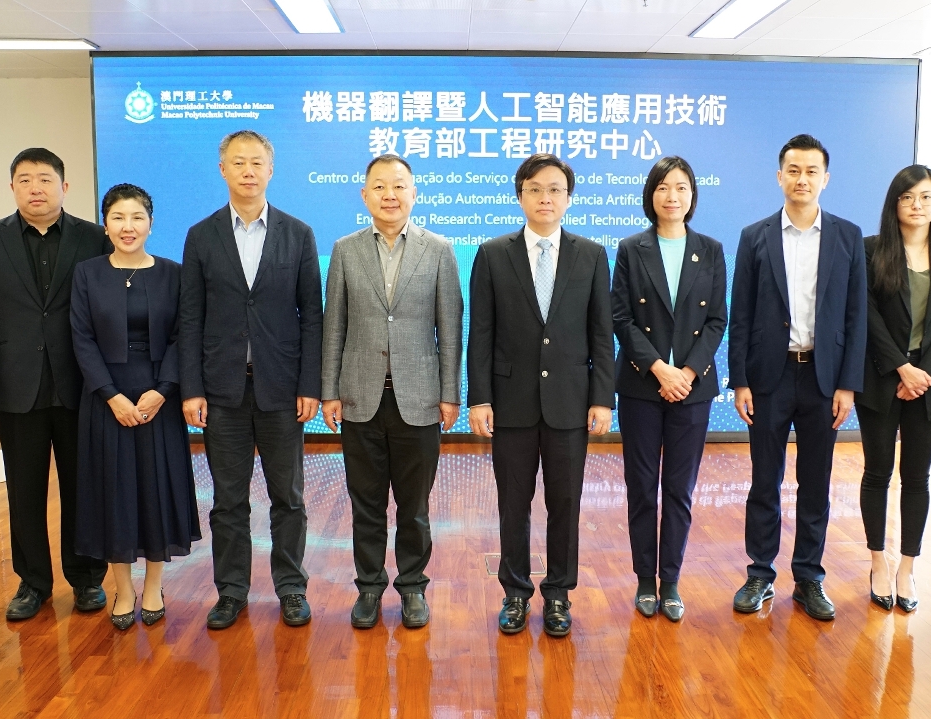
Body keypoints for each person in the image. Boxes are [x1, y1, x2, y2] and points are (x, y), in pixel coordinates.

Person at [179, 130, 323, 629]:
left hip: (281, 389)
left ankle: (291, 588)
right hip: (222, 391)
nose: (247, 170)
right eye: (238, 162)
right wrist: (192, 388)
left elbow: (312, 315)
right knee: (228, 501)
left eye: (256, 162)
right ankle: (231, 591)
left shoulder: (298, 234)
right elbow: (191, 317)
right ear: (223, 169)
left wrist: (310, 384)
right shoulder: (201, 235)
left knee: (289, 498)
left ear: (270, 169)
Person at [468, 153, 615, 638]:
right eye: (535, 189)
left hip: (570, 402)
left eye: (555, 189)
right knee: (514, 503)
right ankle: (514, 593)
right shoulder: (493, 254)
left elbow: (601, 334)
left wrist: (602, 398)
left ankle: (558, 594)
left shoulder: (591, 255)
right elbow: (480, 334)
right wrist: (479, 398)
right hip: (510, 403)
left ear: (568, 198)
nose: (545, 198)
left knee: (565, 502)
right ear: (520, 196)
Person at [0, 148, 112, 620]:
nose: (35, 188)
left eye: (45, 179)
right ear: (12, 187)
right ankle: (32, 583)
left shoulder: (94, 238)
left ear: (64, 187)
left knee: (82, 487)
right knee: (23, 490)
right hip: (15, 385)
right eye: (24, 180)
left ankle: (87, 579)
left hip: (80, 384)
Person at [320, 154, 463, 630]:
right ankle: (368, 587)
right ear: (364, 195)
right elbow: (334, 325)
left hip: (419, 398)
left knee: (414, 507)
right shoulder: (345, 250)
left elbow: (450, 327)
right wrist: (329, 390)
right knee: (366, 504)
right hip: (359, 396)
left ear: (413, 193)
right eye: (379, 187)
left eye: (399, 186)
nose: (390, 195)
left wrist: (449, 393)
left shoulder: (439, 249)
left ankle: (413, 587)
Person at [727, 134, 866, 622]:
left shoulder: (848, 236)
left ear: (825, 179)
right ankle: (760, 573)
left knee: (816, 481)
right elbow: (741, 313)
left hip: (823, 379)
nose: (802, 179)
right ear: (779, 176)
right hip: (770, 375)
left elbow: (856, 316)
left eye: (811, 171)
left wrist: (848, 384)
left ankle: (808, 576)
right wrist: (740, 380)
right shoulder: (755, 236)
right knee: (764, 480)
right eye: (793, 170)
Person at [71, 184, 201, 629]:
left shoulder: (173, 273)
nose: (128, 227)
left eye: (137, 217)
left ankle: (154, 586)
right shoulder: (87, 274)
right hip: (106, 399)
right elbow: (82, 339)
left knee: (155, 490)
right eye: (118, 217)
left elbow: (184, 335)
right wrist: (111, 395)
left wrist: (163, 390)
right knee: (114, 492)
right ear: (105, 225)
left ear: (151, 223)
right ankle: (123, 588)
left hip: (158, 398)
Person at [610, 156, 727, 622]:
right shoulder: (631, 248)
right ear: (650, 195)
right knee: (642, 488)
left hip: (692, 390)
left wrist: (688, 372)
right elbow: (621, 317)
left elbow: (716, 320)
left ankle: (671, 580)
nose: (671, 196)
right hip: (642, 385)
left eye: (680, 187)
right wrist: (660, 369)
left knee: (679, 490)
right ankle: (645, 579)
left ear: (692, 195)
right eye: (662, 187)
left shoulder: (711, 249)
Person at [855, 166, 931, 613]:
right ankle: (878, 562)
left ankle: (907, 568)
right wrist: (901, 368)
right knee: (877, 473)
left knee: (917, 477)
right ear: (894, 203)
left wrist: (924, 374)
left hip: (930, 385)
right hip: (881, 379)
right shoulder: (871, 250)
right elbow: (866, 314)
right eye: (908, 197)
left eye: (926, 196)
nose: (917, 205)